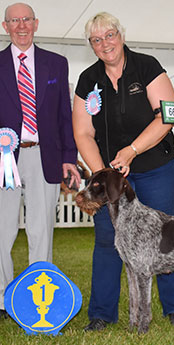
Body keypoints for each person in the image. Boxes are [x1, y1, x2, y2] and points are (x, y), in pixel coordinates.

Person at [72, 12, 174, 331]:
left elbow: (169, 115)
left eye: (109, 35)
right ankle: (101, 313)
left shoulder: (147, 66)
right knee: (108, 238)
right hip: (110, 173)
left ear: (121, 35)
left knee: (164, 235)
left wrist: (133, 150)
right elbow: (82, 133)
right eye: (96, 39)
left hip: (154, 166)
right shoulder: (87, 79)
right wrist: (102, 175)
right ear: (91, 45)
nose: (104, 43)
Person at [0, 3, 81, 320]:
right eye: (14, 21)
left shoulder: (56, 63)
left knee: (41, 232)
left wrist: (68, 157)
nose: (21, 26)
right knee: (2, 232)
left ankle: (38, 301)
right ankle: (4, 301)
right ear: (5, 26)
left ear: (36, 24)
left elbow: (65, 114)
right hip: (4, 159)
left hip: (44, 157)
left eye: (26, 20)